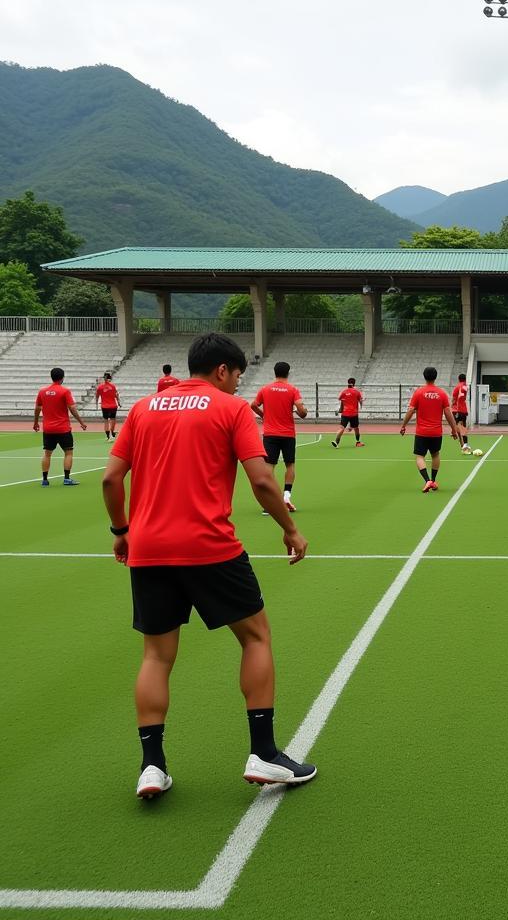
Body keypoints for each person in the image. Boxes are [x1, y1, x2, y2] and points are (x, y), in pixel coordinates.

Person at [101, 333, 315, 799]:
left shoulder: (142, 408)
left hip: (149, 549)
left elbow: (111, 478)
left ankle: (152, 766)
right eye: (237, 376)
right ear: (222, 369)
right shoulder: (229, 408)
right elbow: (261, 479)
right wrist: (290, 529)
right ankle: (264, 753)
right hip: (209, 546)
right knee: (256, 636)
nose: (238, 385)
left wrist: (122, 531)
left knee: (157, 656)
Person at [250, 362, 306, 512]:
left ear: (274, 372)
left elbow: (253, 405)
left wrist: (264, 416)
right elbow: (302, 411)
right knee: (290, 465)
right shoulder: (292, 389)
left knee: (269, 467)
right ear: (289, 373)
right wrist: (302, 411)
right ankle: (286, 496)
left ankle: (269, 504)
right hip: (287, 433)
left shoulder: (265, 389)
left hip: (270, 434)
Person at [400, 366, 459, 492]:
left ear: (424, 376)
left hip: (421, 432)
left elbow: (411, 410)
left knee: (420, 456)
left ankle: (427, 481)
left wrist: (403, 425)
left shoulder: (419, 392)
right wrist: (454, 429)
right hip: (436, 432)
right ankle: (434, 480)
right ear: (435, 377)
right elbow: (448, 412)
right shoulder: (442, 393)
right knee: (435, 454)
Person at [33, 367, 88, 487]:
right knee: (68, 452)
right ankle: (67, 478)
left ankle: (45, 480)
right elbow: (72, 408)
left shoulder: (42, 391)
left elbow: (37, 408)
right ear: (62, 377)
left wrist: (35, 422)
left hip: (48, 429)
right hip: (63, 428)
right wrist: (81, 422)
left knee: (47, 453)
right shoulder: (65, 391)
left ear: (51, 377)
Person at [332, 378, 365, 448]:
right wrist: (361, 405)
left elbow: (341, 401)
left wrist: (339, 410)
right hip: (354, 413)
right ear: (354, 383)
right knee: (356, 428)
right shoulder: (357, 392)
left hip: (345, 413)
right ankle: (358, 442)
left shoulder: (343, 392)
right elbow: (360, 400)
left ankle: (336, 442)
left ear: (348, 382)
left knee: (341, 428)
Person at [95, 371, 122, 441]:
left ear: (104, 378)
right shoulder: (113, 386)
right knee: (113, 419)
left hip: (104, 406)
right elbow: (116, 395)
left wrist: (96, 404)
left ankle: (108, 436)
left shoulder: (100, 387)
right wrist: (119, 403)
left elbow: (97, 396)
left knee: (106, 421)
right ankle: (112, 433)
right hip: (113, 406)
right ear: (109, 378)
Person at [451, 373, 472, 453]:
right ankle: (465, 444)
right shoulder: (465, 386)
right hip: (464, 409)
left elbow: (453, 399)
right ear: (465, 379)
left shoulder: (457, 387)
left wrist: (452, 405)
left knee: (458, 426)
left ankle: (462, 443)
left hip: (457, 409)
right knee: (463, 427)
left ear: (458, 379)